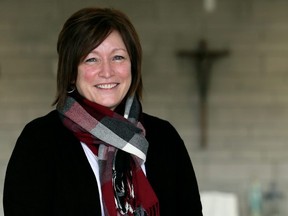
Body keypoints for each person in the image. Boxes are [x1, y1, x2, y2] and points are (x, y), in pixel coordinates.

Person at [3, 7, 203, 216]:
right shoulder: (40, 140)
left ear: (133, 66)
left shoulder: (164, 138)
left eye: (118, 57)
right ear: (71, 72)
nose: (107, 72)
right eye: (91, 59)